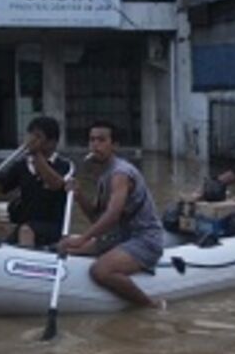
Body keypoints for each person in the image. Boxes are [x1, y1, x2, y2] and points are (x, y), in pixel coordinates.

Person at [58, 120, 165, 308]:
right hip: (117, 238)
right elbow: (96, 218)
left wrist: (83, 238)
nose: (95, 145)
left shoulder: (120, 174)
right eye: (92, 140)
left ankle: (150, 305)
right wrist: (79, 195)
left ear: (114, 145)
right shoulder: (104, 175)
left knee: (100, 271)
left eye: (101, 140)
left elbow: (113, 215)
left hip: (144, 240)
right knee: (63, 247)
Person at [0, 116, 73, 248]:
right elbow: (2, 186)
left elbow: (56, 185)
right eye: (30, 135)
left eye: (38, 137)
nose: (31, 140)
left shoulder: (65, 165)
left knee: (26, 230)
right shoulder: (22, 166)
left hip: (53, 227)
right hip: (26, 224)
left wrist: (36, 155)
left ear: (52, 142)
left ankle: (28, 256)